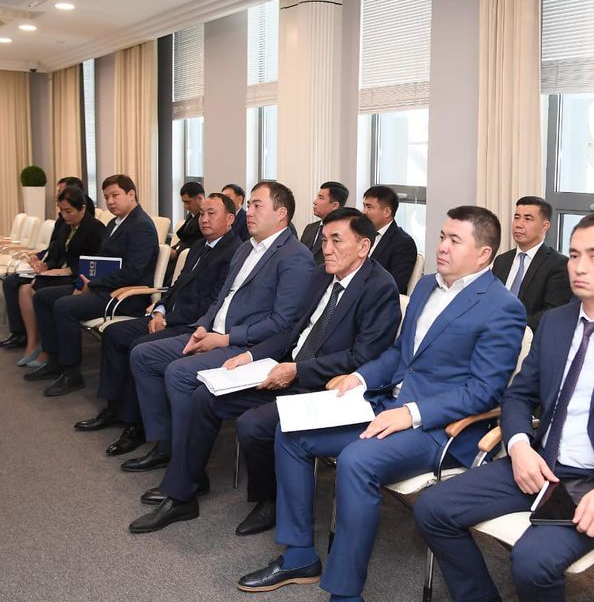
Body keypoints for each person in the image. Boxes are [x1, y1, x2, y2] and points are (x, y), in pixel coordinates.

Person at [236, 206, 527, 602]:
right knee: (291, 432)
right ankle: (300, 556)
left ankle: (345, 593)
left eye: (454, 240)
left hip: (439, 428)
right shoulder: (426, 286)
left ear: (483, 253)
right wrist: (360, 378)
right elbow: (399, 354)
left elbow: (484, 391)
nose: (441, 246)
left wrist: (411, 413)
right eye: (442, 236)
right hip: (385, 403)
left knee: (357, 460)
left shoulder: (502, 307)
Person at [414, 212, 594, 602]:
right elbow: (518, 395)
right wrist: (519, 446)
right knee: (431, 508)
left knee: (532, 561)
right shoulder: (556, 323)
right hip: (539, 464)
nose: (579, 267)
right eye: (574, 255)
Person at [128, 208, 401, 535]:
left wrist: (297, 370)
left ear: (363, 246)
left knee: (253, 425)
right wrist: (250, 356)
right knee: (204, 397)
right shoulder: (321, 276)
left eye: (336, 241)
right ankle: (182, 493)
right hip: (285, 368)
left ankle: (270, 499)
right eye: (325, 240)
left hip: (328, 387)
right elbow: (291, 332)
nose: (326, 249)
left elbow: (362, 356)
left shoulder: (380, 287)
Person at [122, 182, 314, 476]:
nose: (249, 212)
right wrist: (202, 327)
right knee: (143, 355)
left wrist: (224, 338)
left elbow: (282, 323)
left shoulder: (294, 256)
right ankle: (167, 443)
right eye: (249, 205)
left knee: (178, 373)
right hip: (213, 334)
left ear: (281, 213)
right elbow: (221, 298)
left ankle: (188, 469)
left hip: (245, 346)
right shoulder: (246, 249)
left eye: (257, 205)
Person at [73, 193, 241, 457]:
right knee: (114, 334)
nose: (204, 219)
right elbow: (175, 286)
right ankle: (115, 408)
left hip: (192, 325)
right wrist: (160, 310)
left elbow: (212, 303)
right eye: (202, 213)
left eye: (212, 214)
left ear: (230, 219)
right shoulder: (198, 246)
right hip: (167, 316)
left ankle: (136, 425)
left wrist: (168, 319)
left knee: (138, 347)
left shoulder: (234, 252)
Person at [26, 174, 159, 397]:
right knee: (42, 296)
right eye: (106, 197)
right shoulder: (114, 223)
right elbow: (99, 261)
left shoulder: (141, 226)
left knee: (65, 306)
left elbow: (133, 272)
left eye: (115, 195)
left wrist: (93, 284)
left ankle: (71, 373)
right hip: (103, 287)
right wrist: (83, 283)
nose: (110, 201)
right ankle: (54, 359)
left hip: (125, 297)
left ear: (131, 194)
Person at [3, 186, 105, 368]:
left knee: (35, 291)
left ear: (82, 209)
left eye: (68, 211)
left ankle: (46, 350)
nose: (64, 215)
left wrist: (66, 271)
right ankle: (32, 344)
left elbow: (93, 262)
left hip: (77, 277)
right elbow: (56, 251)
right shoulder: (66, 227)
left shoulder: (95, 229)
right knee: (24, 288)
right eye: (61, 211)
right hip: (60, 273)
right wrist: (45, 264)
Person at [492, 196, 571, 330]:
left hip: (529, 336)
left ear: (545, 226)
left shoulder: (558, 264)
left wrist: (510, 326)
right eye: (517, 217)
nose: (519, 224)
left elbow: (553, 312)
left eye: (528, 219)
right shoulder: (502, 260)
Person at [361, 185, 418, 293]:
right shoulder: (362, 234)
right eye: (364, 206)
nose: (364, 212)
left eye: (369, 207)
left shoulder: (403, 243)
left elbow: (394, 286)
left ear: (387, 212)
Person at [300, 181, 349, 266]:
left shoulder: (344, 232)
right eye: (317, 197)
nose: (315, 201)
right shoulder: (310, 228)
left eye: (321, 198)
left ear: (335, 205)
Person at [168, 181, 205, 262]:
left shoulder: (205, 220)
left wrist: (176, 252)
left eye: (188, 202)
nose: (186, 206)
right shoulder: (191, 216)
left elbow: (196, 244)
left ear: (200, 198)